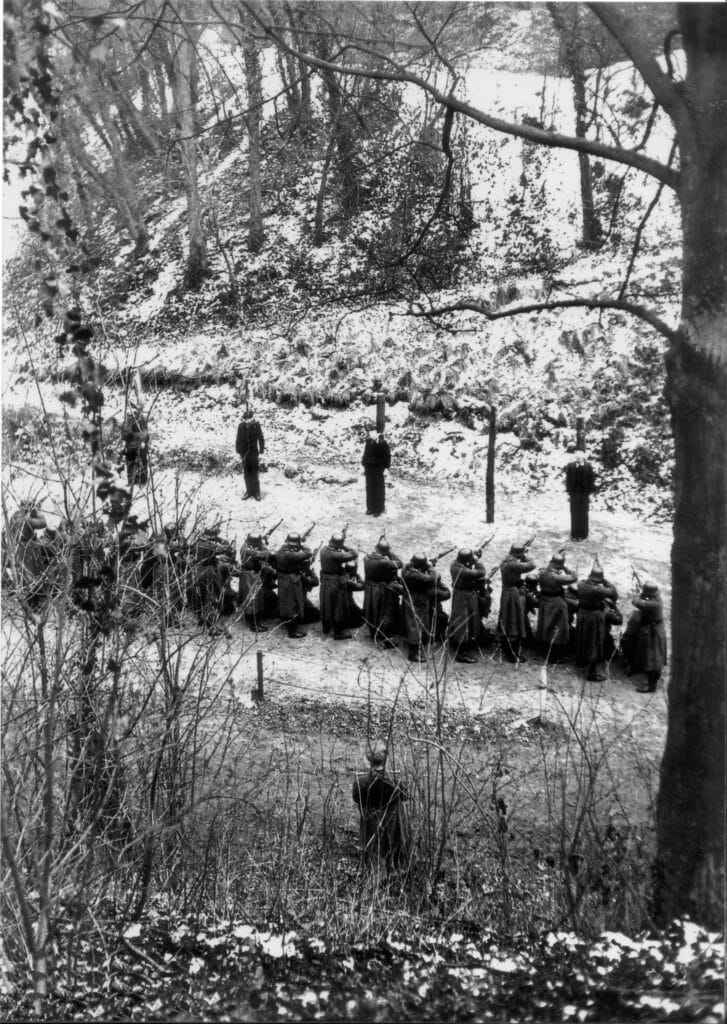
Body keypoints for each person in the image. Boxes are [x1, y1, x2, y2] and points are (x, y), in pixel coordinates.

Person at [352, 739, 408, 872]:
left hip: (370, 827)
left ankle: (371, 866)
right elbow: (405, 796)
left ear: (367, 760)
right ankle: (395, 864)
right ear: (385, 759)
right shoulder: (395, 782)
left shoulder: (361, 782)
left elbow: (355, 798)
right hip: (391, 827)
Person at [620, 580, 667, 693]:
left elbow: (636, 602)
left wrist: (638, 593)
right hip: (652, 628)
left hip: (653, 632)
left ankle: (652, 685)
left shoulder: (653, 604)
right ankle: (647, 674)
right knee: (650, 655)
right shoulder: (656, 598)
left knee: (653, 658)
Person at [575, 564, 619, 681]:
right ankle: (591, 673)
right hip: (593, 617)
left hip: (582, 614)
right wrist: (604, 579)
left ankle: (580, 661)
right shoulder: (597, 589)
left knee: (582, 638)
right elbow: (613, 592)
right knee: (593, 642)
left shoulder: (581, 584)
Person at [536, 552, 578, 662]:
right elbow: (574, 577)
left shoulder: (542, 572)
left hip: (544, 600)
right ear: (559, 564)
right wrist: (565, 567)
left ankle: (543, 649)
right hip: (555, 603)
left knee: (545, 626)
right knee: (558, 628)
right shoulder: (556, 576)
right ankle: (553, 657)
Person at [498, 543, 536, 663]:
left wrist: (521, 554)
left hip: (507, 590)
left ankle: (506, 645)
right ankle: (513, 655)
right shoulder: (513, 564)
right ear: (518, 553)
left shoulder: (507, 559)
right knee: (513, 623)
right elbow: (532, 565)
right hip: (512, 594)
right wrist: (526, 555)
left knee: (507, 619)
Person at [363, 538, 403, 648]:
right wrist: (391, 553)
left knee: (371, 610)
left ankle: (373, 633)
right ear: (384, 551)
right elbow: (400, 564)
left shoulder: (366, 557)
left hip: (370, 587)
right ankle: (385, 639)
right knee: (384, 613)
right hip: (381, 589)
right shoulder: (384, 561)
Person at [448, 548, 487, 663]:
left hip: (464, 593)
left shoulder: (455, 564)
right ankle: (460, 653)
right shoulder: (463, 571)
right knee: (462, 621)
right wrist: (476, 561)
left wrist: (472, 559)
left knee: (467, 618)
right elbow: (481, 572)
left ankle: (460, 639)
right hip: (463, 596)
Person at [319, 534, 358, 640]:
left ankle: (325, 628)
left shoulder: (323, 550)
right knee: (338, 606)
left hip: (325, 580)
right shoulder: (337, 555)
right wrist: (344, 546)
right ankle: (338, 633)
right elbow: (354, 554)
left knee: (325, 603)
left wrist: (339, 546)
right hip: (335, 582)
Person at [275, 532, 314, 638]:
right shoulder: (290, 555)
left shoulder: (282, 549)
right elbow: (308, 552)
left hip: (283, 578)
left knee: (285, 601)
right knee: (293, 604)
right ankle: (292, 632)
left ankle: (283, 619)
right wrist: (301, 544)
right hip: (291, 580)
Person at [401, 553, 437, 662]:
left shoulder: (406, 568)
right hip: (417, 600)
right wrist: (430, 567)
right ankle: (413, 653)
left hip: (410, 597)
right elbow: (432, 579)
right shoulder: (414, 575)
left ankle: (415, 644)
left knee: (413, 622)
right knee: (415, 624)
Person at [238, 532, 275, 633]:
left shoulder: (247, 545)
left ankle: (250, 618)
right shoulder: (247, 549)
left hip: (252, 574)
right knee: (252, 599)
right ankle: (254, 625)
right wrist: (262, 544)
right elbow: (265, 554)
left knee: (254, 598)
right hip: (249, 575)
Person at [565, 448, 596, 541]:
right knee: (574, 513)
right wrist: (568, 493)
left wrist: (591, 494)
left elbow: (592, 481)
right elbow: (568, 481)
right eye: (577, 455)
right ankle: (574, 534)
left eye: (580, 454)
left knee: (584, 513)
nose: (578, 456)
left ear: (584, 455)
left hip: (584, 494)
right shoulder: (570, 466)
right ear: (575, 456)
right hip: (574, 494)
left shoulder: (588, 466)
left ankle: (583, 534)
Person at [235, 407, 265, 501]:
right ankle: (248, 491)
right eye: (246, 420)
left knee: (254, 473)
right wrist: (238, 451)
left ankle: (256, 492)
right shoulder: (241, 426)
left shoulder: (256, 426)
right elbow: (238, 439)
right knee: (246, 473)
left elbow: (261, 438)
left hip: (253, 453)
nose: (247, 422)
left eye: (249, 419)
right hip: (244, 453)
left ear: (252, 419)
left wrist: (261, 451)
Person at [361, 428, 391, 517]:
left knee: (378, 489)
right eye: (370, 433)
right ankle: (370, 508)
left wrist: (386, 467)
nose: (370, 434)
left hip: (378, 469)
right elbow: (365, 454)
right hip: (369, 469)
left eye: (372, 432)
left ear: (377, 434)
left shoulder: (383, 443)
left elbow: (387, 456)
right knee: (370, 489)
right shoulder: (368, 442)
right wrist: (364, 463)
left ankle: (379, 509)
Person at [122, 406, 150, 487]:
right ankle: (132, 482)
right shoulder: (127, 422)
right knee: (131, 464)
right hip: (131, 448)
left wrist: (144, 442)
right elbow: (123, 435)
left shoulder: (142, 421)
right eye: (132, 413)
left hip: (141, 447)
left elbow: (146, 434)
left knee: (142, 463)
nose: (133, 415)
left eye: (135, 412)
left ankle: (143, 482)